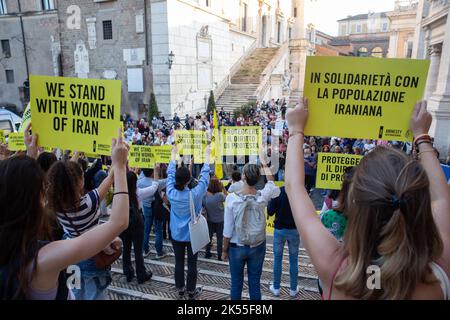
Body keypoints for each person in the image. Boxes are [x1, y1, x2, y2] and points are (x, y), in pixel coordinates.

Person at [285, 99, 450, 299]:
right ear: (420, 204)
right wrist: (421, 136)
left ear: (354, 204)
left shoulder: (335, 269)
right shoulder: (440, 268)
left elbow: (294, 187)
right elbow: (441, 198)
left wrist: (295, 129)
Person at [0, 125, 130, 300]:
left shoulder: (55, 209)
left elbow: (16, 190)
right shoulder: (43, 260)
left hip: (74, 266)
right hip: (90, 262)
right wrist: (120, 166)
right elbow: (119, 222)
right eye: (41, 190)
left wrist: (30, 156)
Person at [46, 156, 118, 300]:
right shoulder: (90, 202)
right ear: (79, 183)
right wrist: (117, 160)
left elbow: (61, 177)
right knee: (95, 296)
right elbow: (110, 178)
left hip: (70, 257)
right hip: (92, 257)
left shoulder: (55, 206)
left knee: (75, 294)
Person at [223, 163, 280, 300]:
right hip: (257, 245)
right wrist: (265, 164)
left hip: (236, 246)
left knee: (236, 283)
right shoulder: (263, 197)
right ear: (257, 178)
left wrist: (224, 250)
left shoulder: (232, 199)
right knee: (255, 283)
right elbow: (271, 181)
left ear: (243, 176)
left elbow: (227, 231)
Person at [166, 145, 211, 300]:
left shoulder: (170, 192)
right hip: (192, 235)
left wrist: (173, 156)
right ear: (188, 180)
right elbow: (205, 179)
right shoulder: (195, 194)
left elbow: (170, 174)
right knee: (192, 264)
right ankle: (191, 291)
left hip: (176, 234)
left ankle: (180, 288)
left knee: (178, 262)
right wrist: (206, 158)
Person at [120, 170, 161, 284]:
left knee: (126, 249)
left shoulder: (120, 194)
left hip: (124, 223)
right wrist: (156, 170)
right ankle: (141, 274)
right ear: (135, 182)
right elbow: (154, 187)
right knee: (138, 250)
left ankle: (128, 272)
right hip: (137, 223)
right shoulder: (138, 192)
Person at [267, 186, 300, 298]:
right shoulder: (299, 191)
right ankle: (293, 289)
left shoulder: (277, 192)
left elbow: (270, 212)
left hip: (280, 230)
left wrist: (270, 201)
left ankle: (276, 288)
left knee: (277, 259)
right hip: (294, 230)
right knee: (294, 260)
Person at [138, 168, 165, 258]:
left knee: (146, 229)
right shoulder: (158, 182)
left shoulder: (139, 181)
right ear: (152, 172)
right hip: (157, 207)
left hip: (146, 207)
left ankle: (145, 250)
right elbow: (170, 179)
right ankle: (159, 252)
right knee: (158, 230)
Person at [203, 177, 227, 261]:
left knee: (209, 237)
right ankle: (219, 255)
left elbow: (203, 205)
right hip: (220, 220)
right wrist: (223, 188)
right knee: (220, 238)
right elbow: (227, 197)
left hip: (210, 219)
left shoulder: (205, 195)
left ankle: (207, 252)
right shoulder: (220, 195)